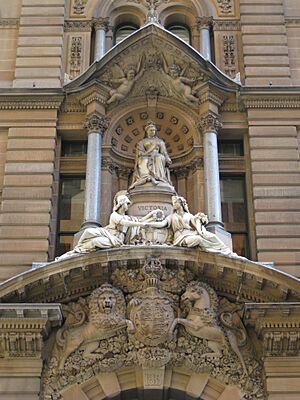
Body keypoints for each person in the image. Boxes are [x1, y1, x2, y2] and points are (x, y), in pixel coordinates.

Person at [56, 193, 160, 260]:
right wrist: (141, 224)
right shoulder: (115, 215)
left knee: (96, 242)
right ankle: (77, 249)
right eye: (127, 203)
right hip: (108, 233)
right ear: (121, 204)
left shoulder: (128, 218)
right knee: (88, 232)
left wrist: (151, 215)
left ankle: (78, 250)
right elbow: (127, 223)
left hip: (116, 239)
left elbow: (140, 221)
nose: (128, 205)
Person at [146, 195, 237, 257]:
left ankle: (225, 251)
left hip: (191, 233)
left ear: (180, 204)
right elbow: (162, 224)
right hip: (181, 237)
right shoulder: (171, 216)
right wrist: (146, 224)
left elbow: (197, 225)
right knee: (198, 239)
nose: (173, 205)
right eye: (173, 203)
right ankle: (213, 251)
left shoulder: (189, 216)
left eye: (175, 203)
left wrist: (201, 230)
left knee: (212, 236)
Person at [129, 121, 173, 189]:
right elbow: (140, 152)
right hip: (146, 155)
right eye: (151, 130)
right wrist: (144, 154)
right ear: (147, 131)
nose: (153, 131)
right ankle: (145, 177)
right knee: (142, 159)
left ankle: (159, 177)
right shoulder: (142, 142)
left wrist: (167, 158)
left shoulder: (160, 141)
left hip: (157, 155)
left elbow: (164, 152)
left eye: (154, 130)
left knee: (160, 157)